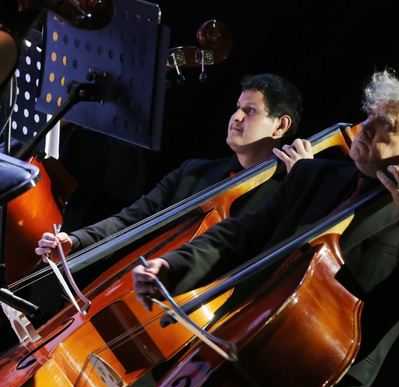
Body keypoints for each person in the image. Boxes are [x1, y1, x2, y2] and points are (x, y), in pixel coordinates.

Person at [131, 69, 399, 387]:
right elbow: (239, 235)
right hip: (229, 339)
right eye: (371, 115)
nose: (365, 127)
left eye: (387, 124)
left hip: (306, 381)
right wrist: (173, 266)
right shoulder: (315, 175)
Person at [32, 72, 308, 315]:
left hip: (215, 319)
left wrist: (303, 184)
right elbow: (130, 220)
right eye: (237, 108)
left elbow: (293, 258)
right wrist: (74, 241)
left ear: (280, 126)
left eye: (250, 111)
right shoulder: (193, 172)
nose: (236, 117)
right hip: (141, 302)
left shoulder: (288, 192)